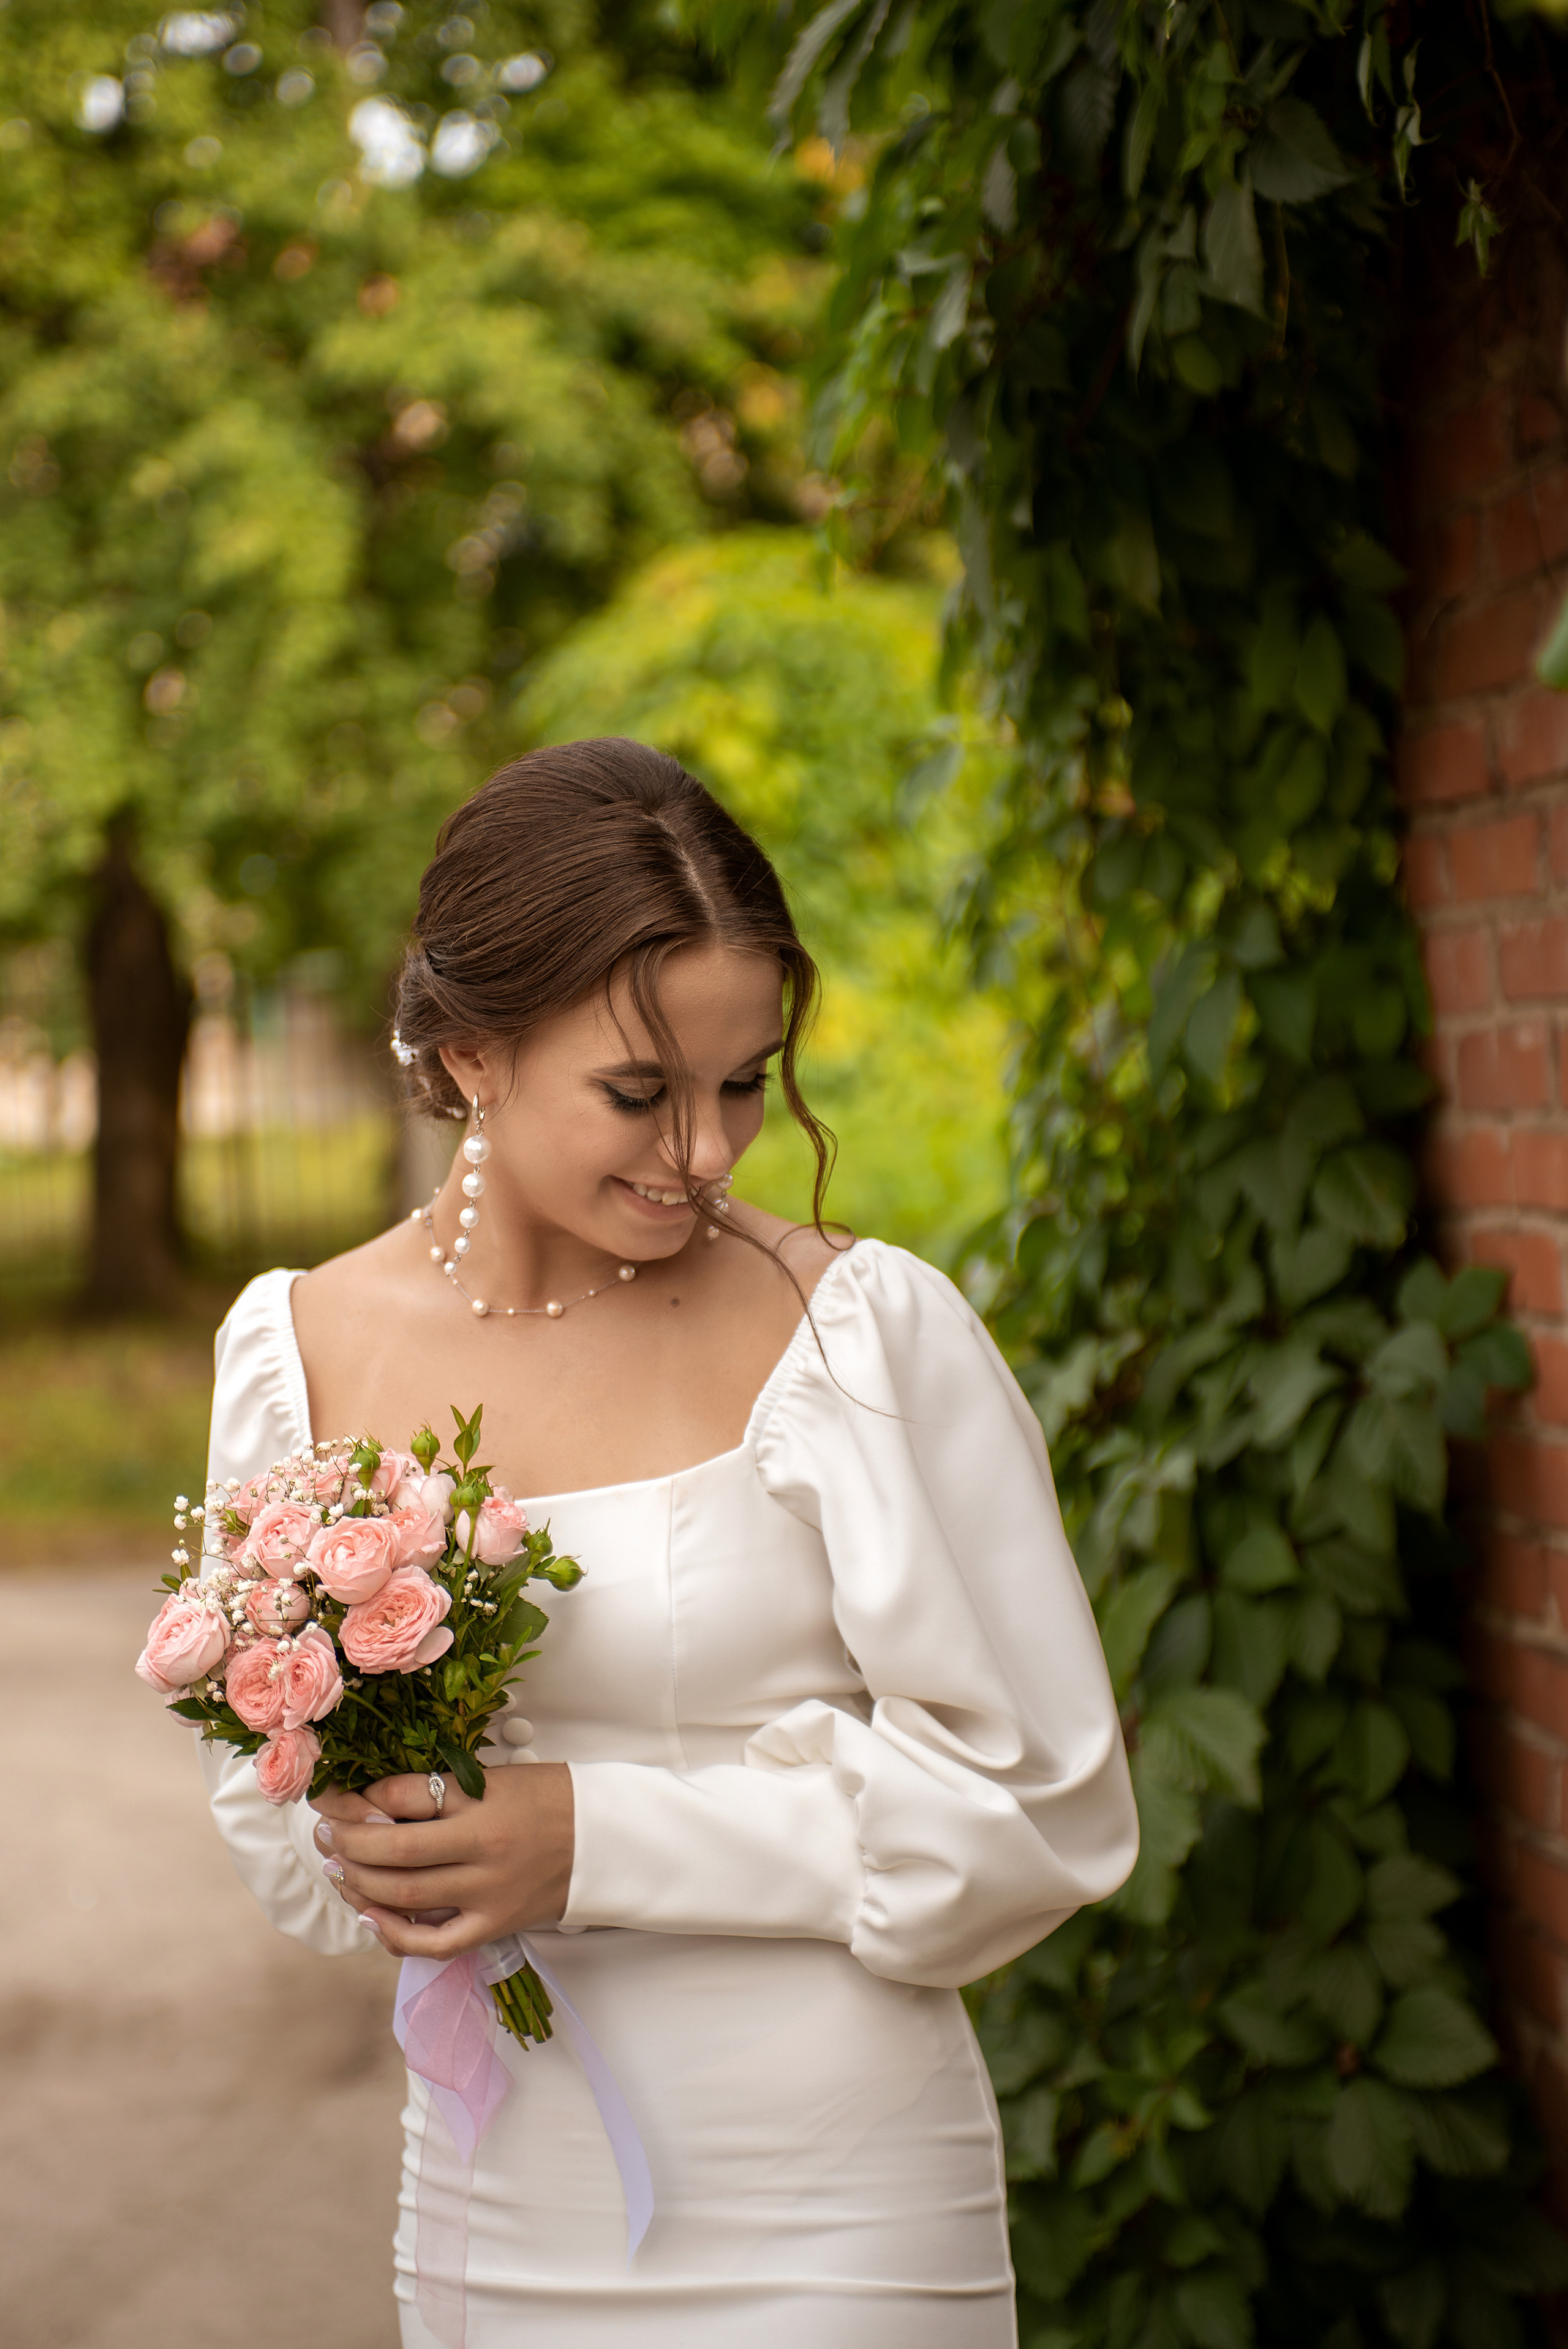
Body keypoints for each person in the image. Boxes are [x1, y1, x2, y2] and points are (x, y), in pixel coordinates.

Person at [200, 736, 1139, 2349]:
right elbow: (272, 1818)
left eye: (743, 1083)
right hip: (497, 2199)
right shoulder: (291, 1346)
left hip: (836, 2206)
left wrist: (596, 1837)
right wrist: (375, 1828)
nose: (705, 1151)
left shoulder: (857, 1336)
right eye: (641, 1091)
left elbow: (1045, 1804)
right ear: (474, 1054)